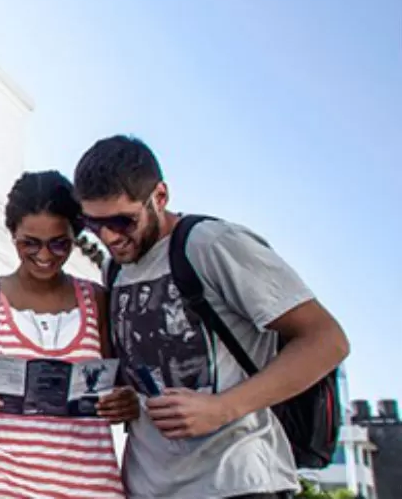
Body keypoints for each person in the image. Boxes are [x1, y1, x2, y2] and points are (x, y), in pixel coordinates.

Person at [74, 135, 350, 499]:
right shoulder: (115, 270)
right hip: (148, 488)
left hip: (238, 482)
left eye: (123, 221)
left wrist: (223, 408)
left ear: (160, 197)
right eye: (93, 224)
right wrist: (123, 397)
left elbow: (327, 340)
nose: (109, 237)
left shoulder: (212, 244)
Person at [0, 170, 137, 499]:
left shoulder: (98, 302)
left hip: (86, 489)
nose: (44, 256)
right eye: (30, 243)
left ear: (76, 235)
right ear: (11, 232)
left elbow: (121, 389)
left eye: (59, 244)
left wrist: (124, 402)